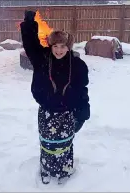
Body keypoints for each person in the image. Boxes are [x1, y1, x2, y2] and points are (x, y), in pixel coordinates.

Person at [20, 10, 90, 184]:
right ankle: (46, 169)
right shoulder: (42, 59)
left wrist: (83, 112)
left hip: (68, 112)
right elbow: (30, 44)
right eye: (55, 46)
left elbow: (82, 90)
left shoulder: (78, 65)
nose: (59, 50)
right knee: (48, 144)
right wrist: (29, 23)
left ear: (69, 47)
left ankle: (64, 170)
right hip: (47, 111)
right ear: (50, 46)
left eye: (63, 46)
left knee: (65, 144)